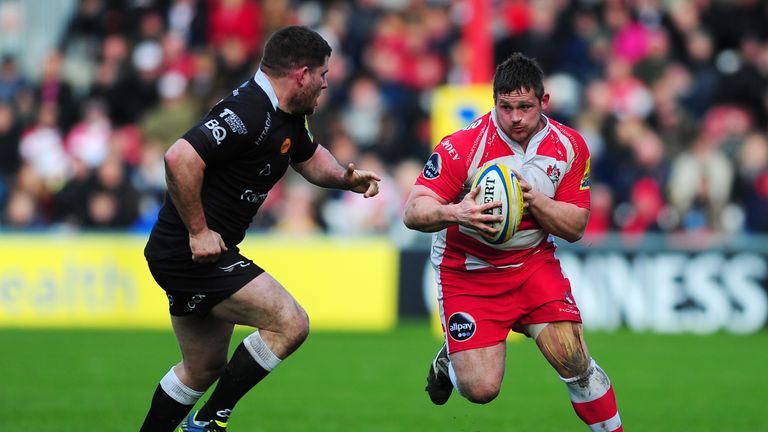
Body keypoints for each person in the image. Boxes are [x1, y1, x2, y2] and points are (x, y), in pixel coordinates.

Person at [139, 26, 380, 432]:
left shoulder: (287, 115)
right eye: (322, 74)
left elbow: (308, 155)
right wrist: (198, 231)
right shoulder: (249, 111)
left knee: (202, 368)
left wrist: (344, 178)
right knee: (290, 322)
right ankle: (208, 422)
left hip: (199, 253)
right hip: (190, 252)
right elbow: (179, 157)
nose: (325, 84)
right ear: (301, 74)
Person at [403, 53, 623, 431]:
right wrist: (457, 213)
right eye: (506, 108)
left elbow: (575, 227)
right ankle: (452, 360)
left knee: (575, 362)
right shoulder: (462, 146)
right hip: (469, 272)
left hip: (532, 264)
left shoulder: (570, 147)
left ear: (544, 102)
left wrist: (534, 200)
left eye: (525, 107)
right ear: (494, 103)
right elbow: (413, 211)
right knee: (482, 389)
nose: (516, 118)